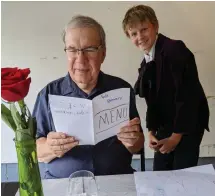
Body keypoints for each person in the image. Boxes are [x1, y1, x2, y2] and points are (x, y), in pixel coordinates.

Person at [33, 15, 144, 179]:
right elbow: (32, 150)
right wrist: (50, 147)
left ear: (103, 54)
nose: (80, 59)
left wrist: (133, 141)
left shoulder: (122, 90)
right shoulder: (48, 94)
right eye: (72, 50)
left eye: (89, 49)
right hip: (63, 186)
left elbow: (138, 145)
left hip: (117, 182)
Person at [122, 5, 209, 171]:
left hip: (188, 123)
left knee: (182, 173)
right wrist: (151, 131)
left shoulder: (175, 50)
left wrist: (175, 137)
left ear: (155, 26)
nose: (139, 37)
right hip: (166, 123)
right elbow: (152, 101)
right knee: (160, 172)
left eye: (144, 29)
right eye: (133, 33)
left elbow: (187, 97)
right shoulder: (146, 62)